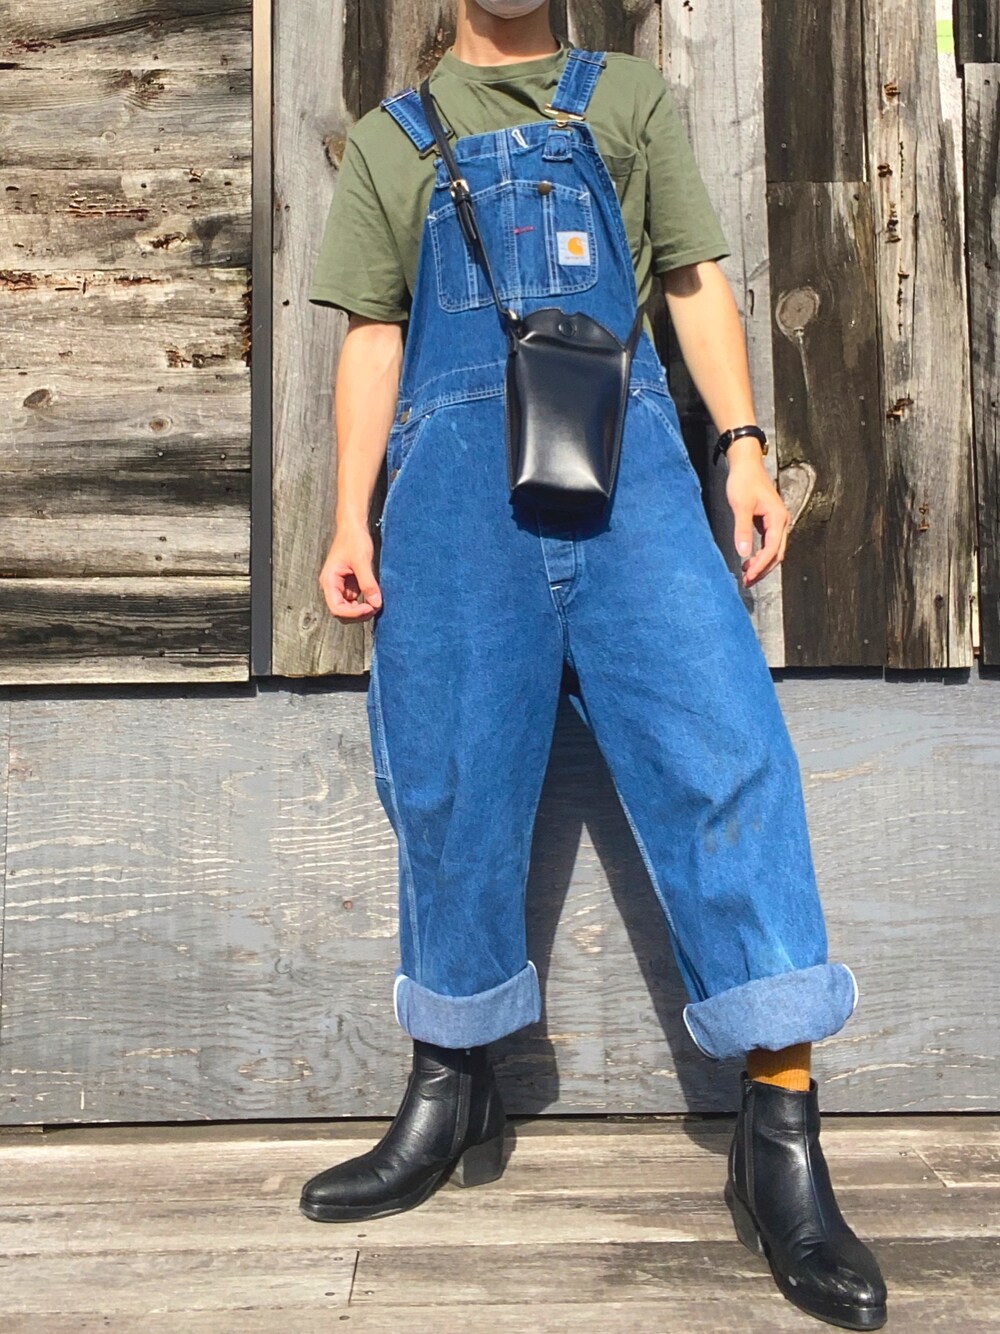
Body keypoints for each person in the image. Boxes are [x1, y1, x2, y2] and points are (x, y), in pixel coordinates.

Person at [301, 4, 888, 1329]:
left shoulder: (626, 99)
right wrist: (347, 515)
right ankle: (452, 1086)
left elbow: (692, 278)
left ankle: (780, 1134)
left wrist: (743, 446)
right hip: (453, 507)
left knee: (726, 757)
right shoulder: (392, 140)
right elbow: (375, 334)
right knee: (449, 782)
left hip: (634, 490)